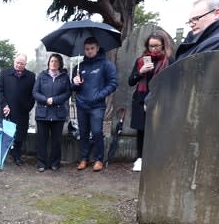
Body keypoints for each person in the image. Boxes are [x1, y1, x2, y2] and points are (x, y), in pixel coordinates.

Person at [127, 30, 174, 172]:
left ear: (163, 45)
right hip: (141, 99)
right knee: (141, 131)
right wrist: (140, 72)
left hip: (160, 99)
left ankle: (157, 159)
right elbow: (130, 81)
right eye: (150, 46)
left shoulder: (169, 61)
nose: (153, 49)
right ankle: (140, 158)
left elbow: (172, 83)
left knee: (158, 130)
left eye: (157, 46)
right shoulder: (141, 60)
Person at [71, 37, 118, 172]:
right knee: (83, 133)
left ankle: (99, 159)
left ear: (97, 48)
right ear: (84, 50)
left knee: (97, 132)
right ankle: (84, 159)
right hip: (81, 105)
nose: (89, 51)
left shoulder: (106, 65)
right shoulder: (79, 67)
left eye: (92, 48)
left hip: (97, 106)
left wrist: (99, 95)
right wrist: (75, 83)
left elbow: (113, 83)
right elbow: (73, 88)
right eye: (87, 49)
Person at [0, 53, 36, 166]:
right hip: (7, 110)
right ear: (14, 62)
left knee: (20, 135)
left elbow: (33, 94)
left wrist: (28, 107)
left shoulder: (31, 76)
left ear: (25, 64)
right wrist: (4, 105)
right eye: (17, 63)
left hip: (22, 111)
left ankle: (17, 156)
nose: (19, 65)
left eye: (22, 64)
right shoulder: (5, 73)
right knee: (2, 133)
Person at [32, 53, 71, 172]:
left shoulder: (64, 77)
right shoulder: (41, 76)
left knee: (56, 140)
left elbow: (67, 93)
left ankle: (55, 163)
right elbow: (35, 92)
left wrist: (54, 100)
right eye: (52, 61)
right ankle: (41, 163)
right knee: (42, 140)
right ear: (48, 63)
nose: (54, 63)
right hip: (43, 113)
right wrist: (45, 100)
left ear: (60, 64)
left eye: (57, 62)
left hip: (58, 113)